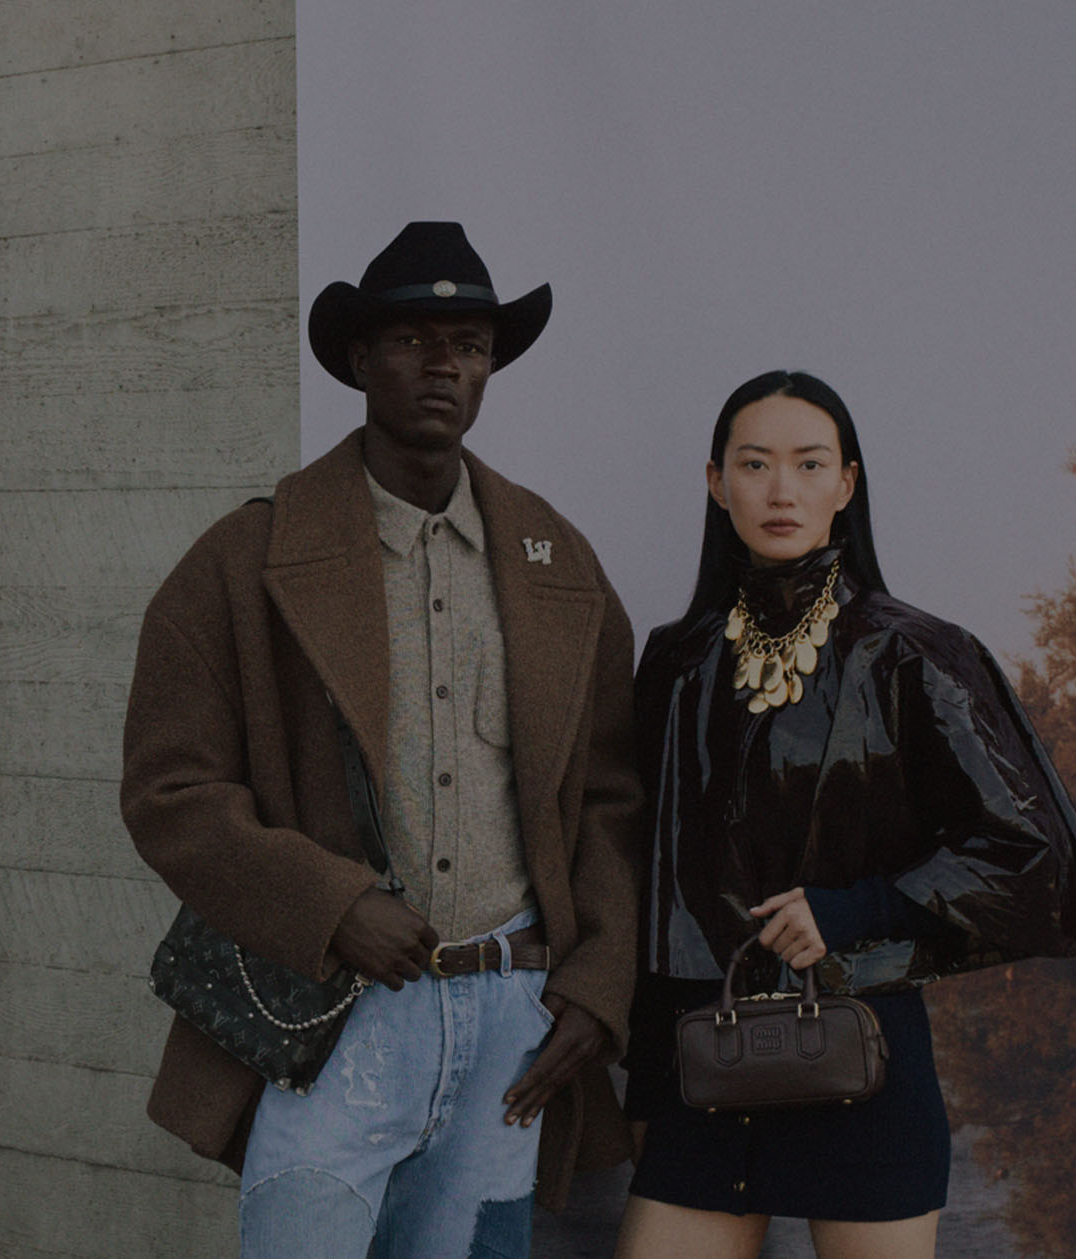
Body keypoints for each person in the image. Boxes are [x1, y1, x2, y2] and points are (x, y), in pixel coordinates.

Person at [124, 221, 645, 1258]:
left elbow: (611, 797)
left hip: (513, 1018)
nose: (445, 363)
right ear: (360, 358)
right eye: (413, 337)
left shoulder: (558, 560)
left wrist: (597, 982)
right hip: (340, 1017)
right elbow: (171, 789)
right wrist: (330, 902)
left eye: (472, 343)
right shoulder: (246, 556)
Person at [612, 371, 1076, 1259]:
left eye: (809, 464)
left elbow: (1031, 852)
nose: (782, 489)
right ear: (716, 483)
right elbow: (651, 873)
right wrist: (642, 1089)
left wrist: (854, 910)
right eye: (755, 463)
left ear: (846, 484)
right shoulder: (676, 660)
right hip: (706, 1065)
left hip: (861, 1060)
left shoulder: (915, 653)